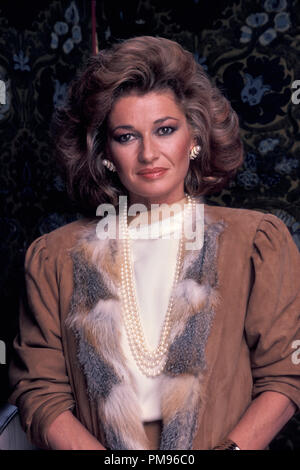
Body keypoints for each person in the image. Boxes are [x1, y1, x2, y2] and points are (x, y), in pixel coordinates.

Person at [8, 36, 300, 451]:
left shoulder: (255, 243)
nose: (148, 154)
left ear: (193, 138)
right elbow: (39, 388)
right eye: (127, 136)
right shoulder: (53, 257)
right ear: (105, 153)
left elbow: (286, 375)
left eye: (165, 130)